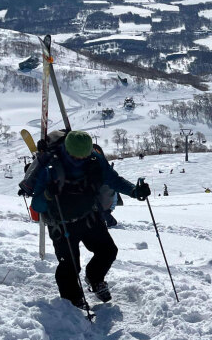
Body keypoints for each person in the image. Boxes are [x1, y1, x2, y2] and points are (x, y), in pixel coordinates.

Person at [20, 130, 149, 310]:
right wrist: (48, 194)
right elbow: (37, 205)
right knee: (70, 267)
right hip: (61, 223)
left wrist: (134, 191)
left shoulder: (94, 160)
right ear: (67, 150)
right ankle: (72, 303)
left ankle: (95, 279)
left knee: (108, 251)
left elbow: (113, 179)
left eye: (85, 156)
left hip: (89, 215)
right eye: (76, 156)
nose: (81, 160)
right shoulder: (51, 166)